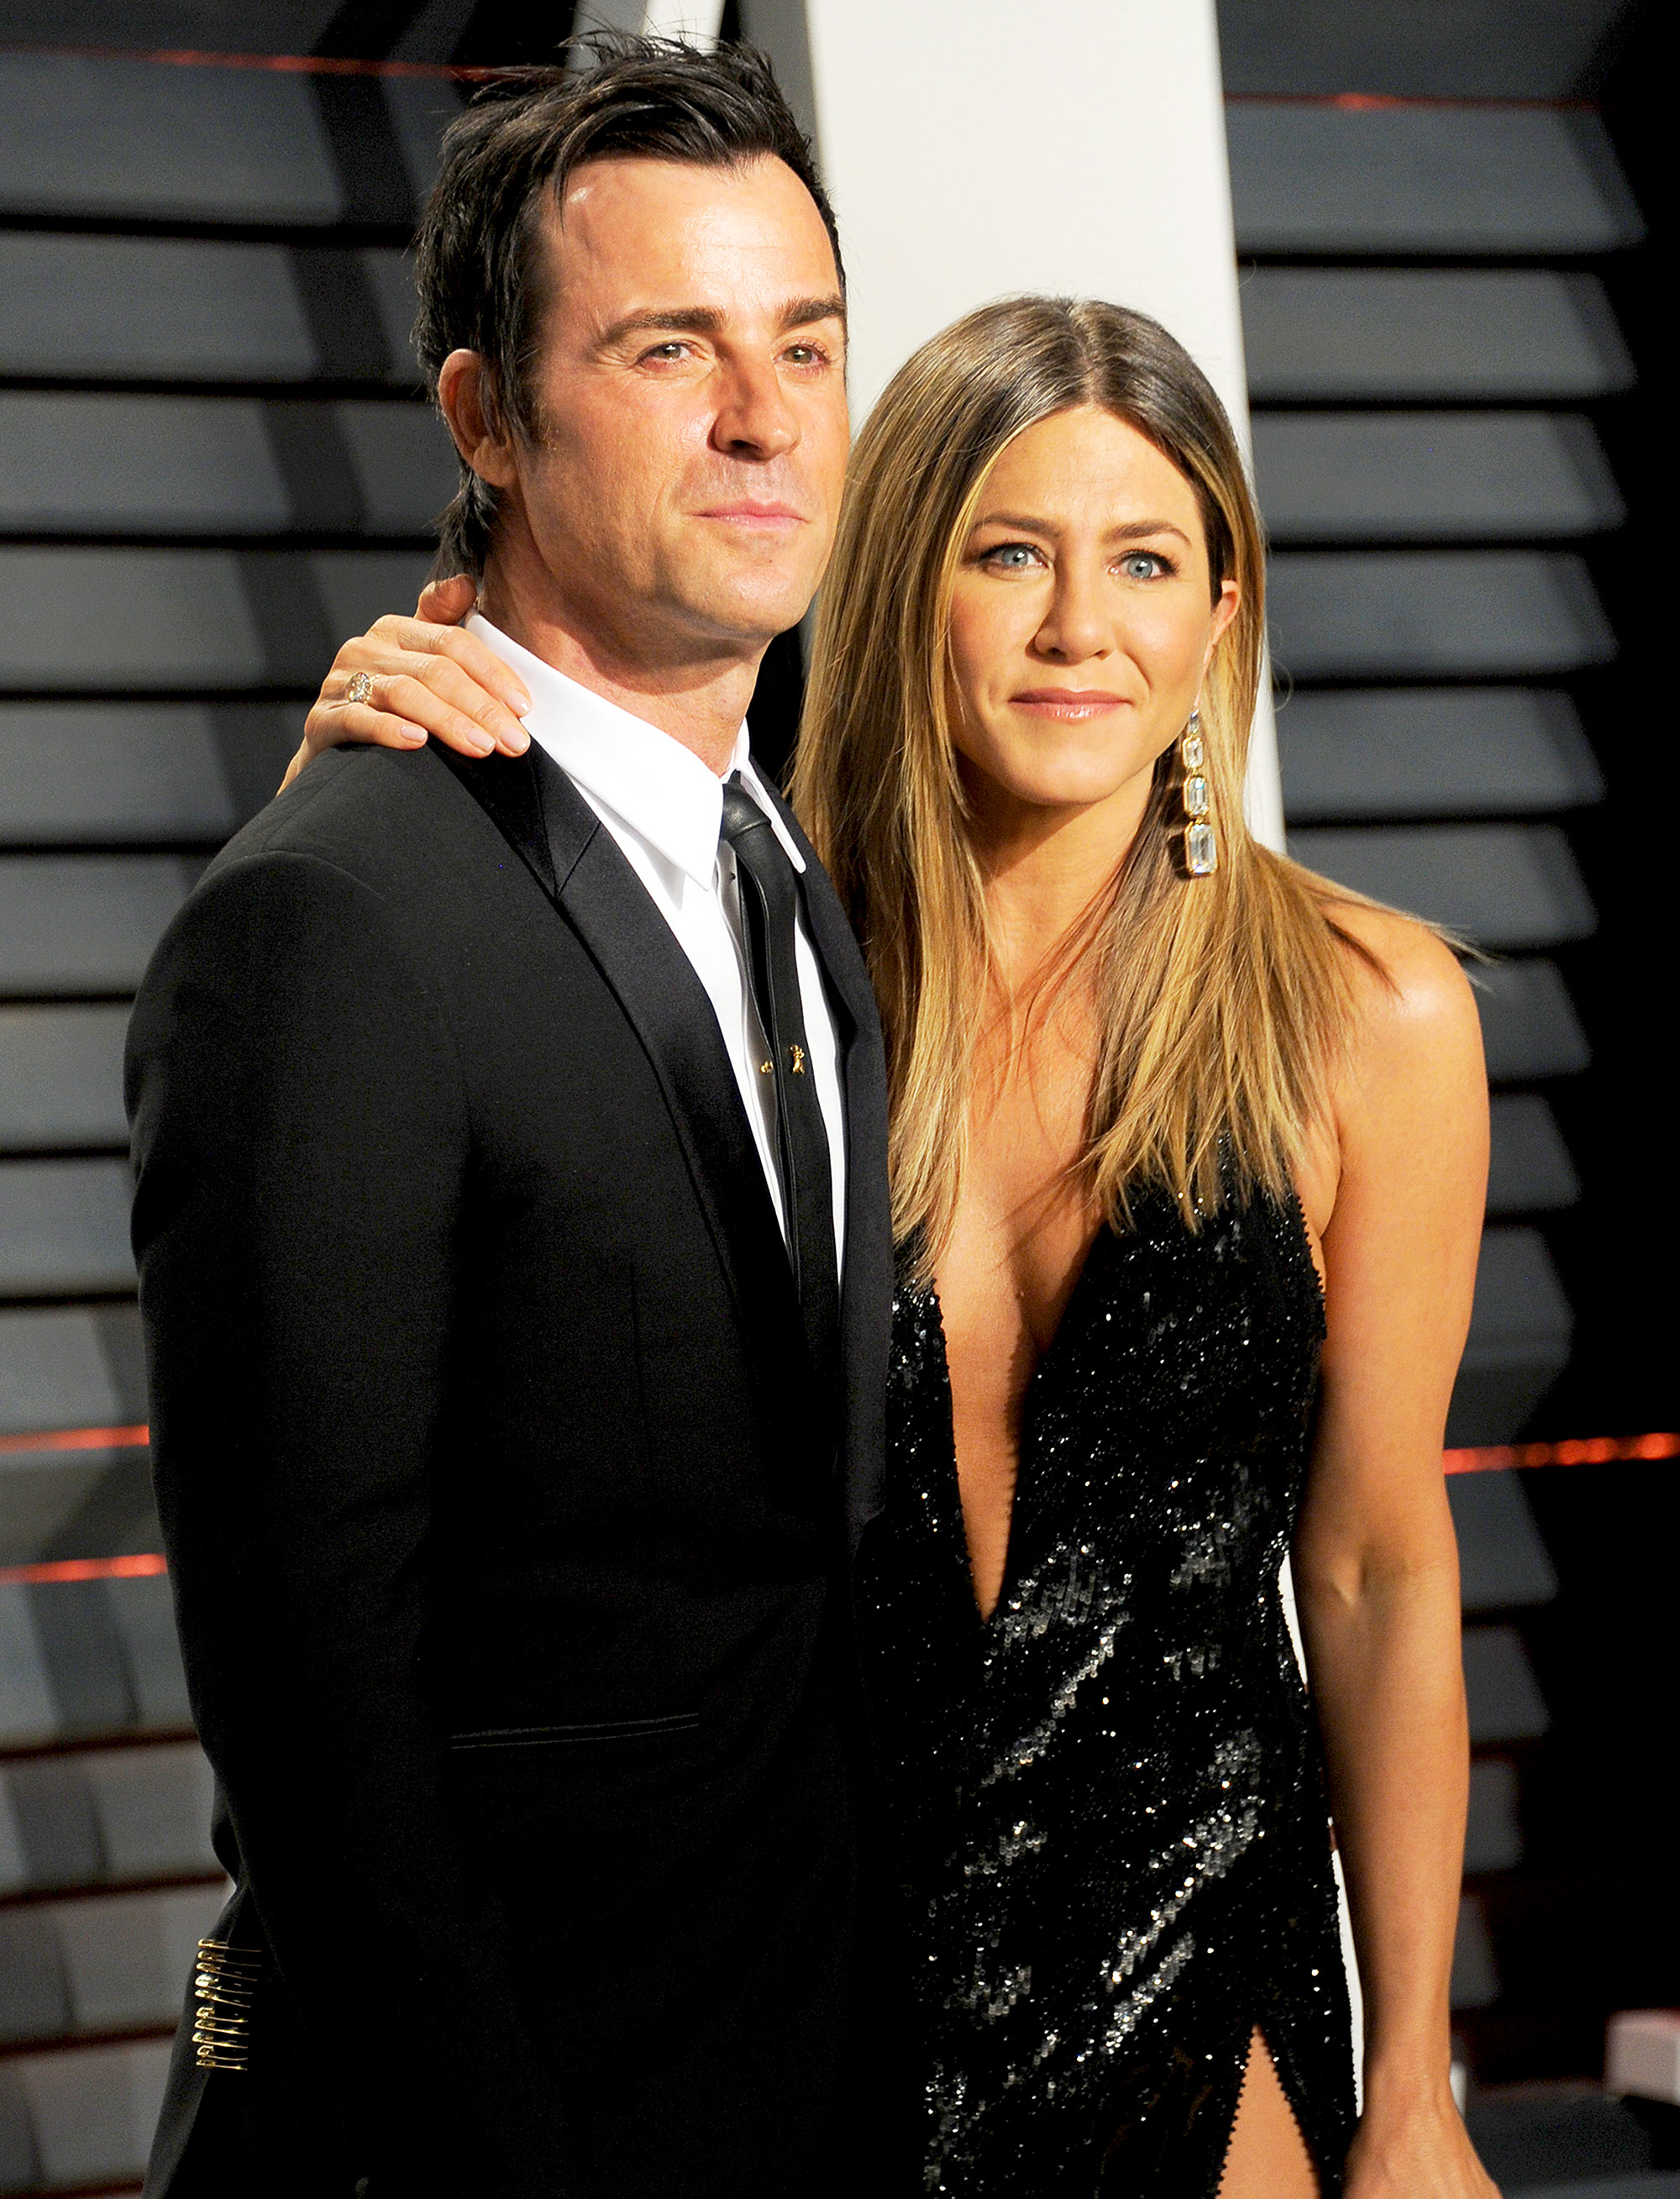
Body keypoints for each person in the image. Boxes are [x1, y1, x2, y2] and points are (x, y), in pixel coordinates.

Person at [303, 288, 1501, 2199]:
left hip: (1192, 1949)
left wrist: (1419, 2083)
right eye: (1005, 552)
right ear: (892, 590)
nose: (1076, 628)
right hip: (791, 1968)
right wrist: (358, 804)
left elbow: (1370, 1566)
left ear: (1219, 615)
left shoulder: (1371, 1015)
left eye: (1145, 560)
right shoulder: (738, 964)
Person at [126, 43, 896, 2199]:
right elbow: (314, 1709)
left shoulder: (800, 864)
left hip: (807, 2079)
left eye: (805, 347)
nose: (764, 418)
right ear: (483, 415)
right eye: (673, 349)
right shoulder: (332, 919)